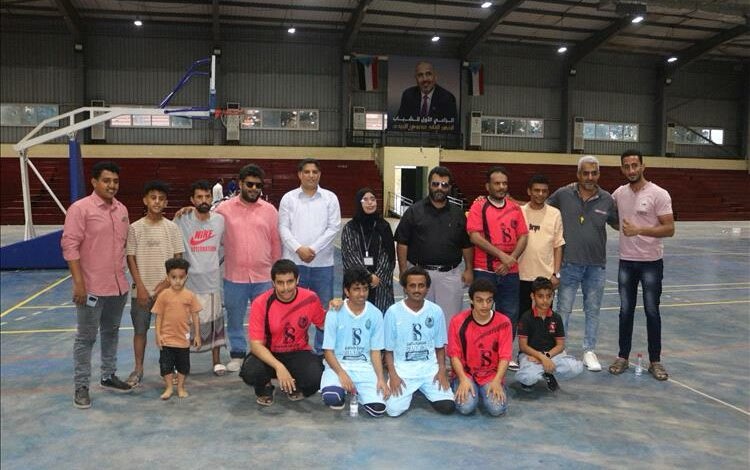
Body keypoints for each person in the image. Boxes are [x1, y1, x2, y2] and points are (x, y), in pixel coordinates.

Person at [62, 161, 133, 408]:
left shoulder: (122, 209)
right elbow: (70, 247)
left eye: (115, 181)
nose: (111, 185)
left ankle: (108, 375)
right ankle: (81, 385)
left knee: (111, 332)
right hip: (91, 288)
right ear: (94, 182)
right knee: (86, 338)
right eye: (106, 181)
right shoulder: (80, 209)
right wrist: (79, 284)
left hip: (118, 287)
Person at [608, 150, 675, 381]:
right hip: (626, 262)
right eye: (626, 166)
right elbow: (612, 218)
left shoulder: (659, 194)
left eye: (635, 165)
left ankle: (655, 361)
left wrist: (639, 230)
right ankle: (622, 357)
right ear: (622, 169)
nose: (631, 170)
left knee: (652, 311)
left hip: (651, 263)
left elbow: (669, 228)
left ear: (643, 166)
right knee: (625, 311)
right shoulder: (619, 193)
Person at [547, 155, 618, 372]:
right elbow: (541, 209)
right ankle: (560, 349)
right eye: (585, 173)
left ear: (599, 174)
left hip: (596, 266)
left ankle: (589, 350)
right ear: (578, 174)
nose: (589, 177)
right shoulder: (563, 194)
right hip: (568, 264)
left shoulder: (607, 199)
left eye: (594, 173)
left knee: (593, 309)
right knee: (563, 309)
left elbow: (617, 223)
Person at [214, 164, 281, 372]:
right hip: (234, 276)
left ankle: (264, 353)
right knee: (234, 318)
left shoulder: (270, 211)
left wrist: (276, 273)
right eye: (249, 184)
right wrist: (189, 211)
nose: (254, 188)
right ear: (240, 183)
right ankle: (237, 353)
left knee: (266, 319)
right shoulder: (223, 210)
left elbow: (275, 243)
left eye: (258, 185)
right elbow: (206, 223)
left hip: (264, 277)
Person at [240, 259, 326, 406]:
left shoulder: (310, 298)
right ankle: (265, 386)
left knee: (316, 378)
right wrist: (279, 367)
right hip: (269, 353)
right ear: (273, 283)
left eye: (290, 282)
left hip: (298, 352)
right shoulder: (261, 303)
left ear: (297, 280)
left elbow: (325, 325)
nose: (285, 288)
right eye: (280, 283)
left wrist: (340, 309)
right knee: (251, 371)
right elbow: (256, 345)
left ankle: (294, 384)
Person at [394, 166, 473, 325]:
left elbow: (466, 244)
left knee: (449, 323)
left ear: (449, 187)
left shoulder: (458, 214)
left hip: (450, 276)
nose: (439, 188)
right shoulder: (414, 211)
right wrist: (403, 271)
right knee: (418, 321)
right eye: (435, 184)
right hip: (420, 275)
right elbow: (402, 242)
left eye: (444, 185)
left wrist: (469, 269)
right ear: (429, 184)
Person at [279, 158, 341, 354]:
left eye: (315, 172)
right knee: (293, 308)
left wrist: (312, 249)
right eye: (307, 172)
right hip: (294, 264)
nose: (311, 175)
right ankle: (295, 347)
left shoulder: (330, 198)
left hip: (323, 265)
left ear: (320, 174)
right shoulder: (288, 198)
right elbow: (283, 228)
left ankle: (323, 352)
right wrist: (299, 249)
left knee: (324, 311)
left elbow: (333, 228)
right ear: (299, 174)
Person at [125, 180, 184, 387]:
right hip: (141, 292)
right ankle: (138, 369)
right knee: (140, 331)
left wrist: (166, 284)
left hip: (167, 292)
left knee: (168, 333)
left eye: (161, 199)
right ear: (145, 200)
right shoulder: (134, 228)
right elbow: (130, 258)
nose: (157, 202)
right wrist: (140, 287)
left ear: (166, 203)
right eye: (153, 198)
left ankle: (168, 368)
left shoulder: (172, 228)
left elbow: (178, 258)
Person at [466, 166, 528, 352]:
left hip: (510, 271)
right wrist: (502, 256)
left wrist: (511, 259)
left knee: (510, 313)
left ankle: (504, 353)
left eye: (504, 183)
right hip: (485, 271)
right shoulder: (478, 206)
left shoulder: (515, 208)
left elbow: (523, 236)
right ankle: (479, 351)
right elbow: (475, 236)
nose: (501, 187)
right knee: (481, 312)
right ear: (488, 186)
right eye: (497, 183)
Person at [383, 266, 455, 417]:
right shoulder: (393, 312)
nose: (417, 290)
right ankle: (413, 390)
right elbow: (388, 351)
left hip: (429, 371)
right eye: (412, 286)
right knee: (393, 411)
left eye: (421, 285)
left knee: (448, 407)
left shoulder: (436, 311)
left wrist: (441, 370)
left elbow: (440, 346)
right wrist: (393, 375)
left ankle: (423, 389)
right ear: (405, 289)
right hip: (404, 372)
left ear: (427, 288)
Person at [320, 267, 389, 417]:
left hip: (364, 368)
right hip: (338, 366)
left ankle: (358, 391)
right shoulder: (334, 312)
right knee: (332, 397)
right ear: (347, 291)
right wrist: (342, 374)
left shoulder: (376, 314)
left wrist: (381, 378)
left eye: (365, 289)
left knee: (378, 409)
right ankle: (342, 388)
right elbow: (328, 351)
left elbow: (375, 351)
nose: (362, 294)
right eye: (356, 289)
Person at [174, 180, 227, 375]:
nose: (204, 200)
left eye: (207, 196)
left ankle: (217, 361)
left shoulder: (220, 220)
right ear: (192, 200)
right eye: (199, 197)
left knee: (215, 321)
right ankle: (182, 363)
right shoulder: (182, 219)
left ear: (212, 198)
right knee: (185, 324)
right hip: (189, 284)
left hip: (212, 281)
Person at [447, 278, 513, 417]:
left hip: (491, 375)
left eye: (489, 300)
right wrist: (463, 379)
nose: (485, 305)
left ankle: (485, 390)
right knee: (466, 407)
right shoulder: (457, 321)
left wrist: (497, 381)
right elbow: (454, 355)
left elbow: (505, 356)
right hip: (466, 373)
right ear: (471, 300)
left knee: (496, 409)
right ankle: (463, 386)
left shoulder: (504, 322)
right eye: (479, 300)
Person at [516, 277, 583, 391]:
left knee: (576, 367)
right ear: (533, 296)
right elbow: (523, 346)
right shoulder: (526, 317)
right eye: (540, 296)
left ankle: (548, 372)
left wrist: (546, 356)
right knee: (527, 377)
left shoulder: (556, 318)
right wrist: (541, 357)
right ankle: (544, 371)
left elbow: (560, 345)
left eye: (548, 296)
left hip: (552, 355)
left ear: (553, 296)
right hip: (531, 356)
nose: (545, 300)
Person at [152, 258, 202, 400]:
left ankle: (180, 387)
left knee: (183, 366)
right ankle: (168, 387)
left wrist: (197, 335)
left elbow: (195, 316)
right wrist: (158, 335)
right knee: (166, 366)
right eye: (174, 277)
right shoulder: (163, 295)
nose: (177, 281)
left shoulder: (190, 296)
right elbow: (158, 316)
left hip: (183, 340)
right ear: (168, 277)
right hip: (166, 339)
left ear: (186, 277)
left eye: (181, 277)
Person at [340, 188, 395, 314]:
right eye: (365, 199)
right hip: (357, 282)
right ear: (359, 203)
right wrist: (367, 276)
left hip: (379, 284)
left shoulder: (384, 226)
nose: (370, 203)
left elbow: (388, 255)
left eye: (373, 199)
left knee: (379, 317)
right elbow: (350, 255)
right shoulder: (350, 228)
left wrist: (377, 276)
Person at [518, 174, 565, 315]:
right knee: (522, 319)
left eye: (544, 191)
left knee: (544, 319)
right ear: (529, 191)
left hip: (545, 278)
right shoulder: (519, 212)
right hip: (521, 276)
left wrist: (556, 274)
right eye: (536, 190)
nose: (540, 194)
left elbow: (558, 246)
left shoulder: (555, 214)